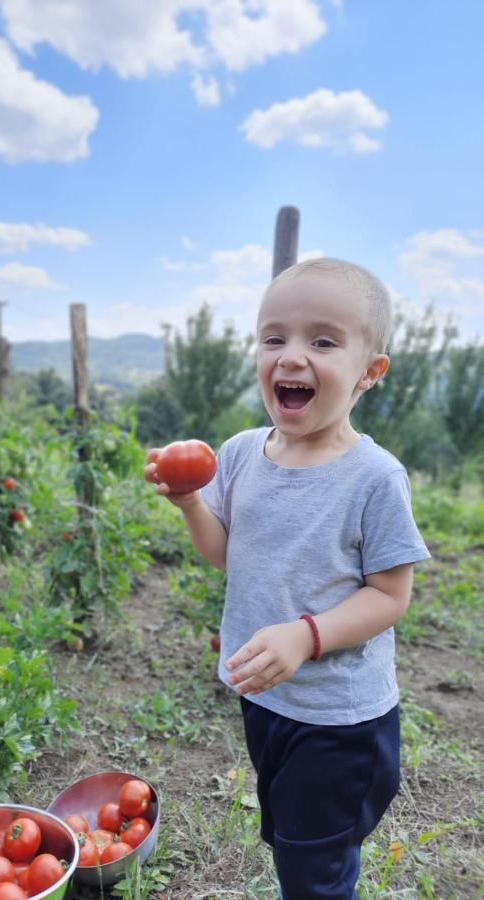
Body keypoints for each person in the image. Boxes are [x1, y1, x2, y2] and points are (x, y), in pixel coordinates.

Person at [144, 257, 431, 899]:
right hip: (267, 699)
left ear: (369, 372)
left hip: (338, 721)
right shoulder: (244, 452)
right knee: (296, 848)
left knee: (314, 873)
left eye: (323, 342)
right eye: (275, 338)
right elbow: (228, 553)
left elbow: (390, 596)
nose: (292, 357)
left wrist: (305, 636)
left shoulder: (374, 478)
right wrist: (192, 500)